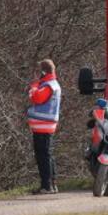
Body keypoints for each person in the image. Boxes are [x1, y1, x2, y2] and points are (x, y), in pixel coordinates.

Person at [26, 58, 61, 194]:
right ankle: (52, 184)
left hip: (43, 126)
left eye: (38, 71)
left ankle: (46, 186)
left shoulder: (47, 86)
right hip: (46, 125)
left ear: (43, 72)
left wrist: (34, 86)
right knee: (48, 155)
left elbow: (36, 97)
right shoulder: (53, 84)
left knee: (43, 156)